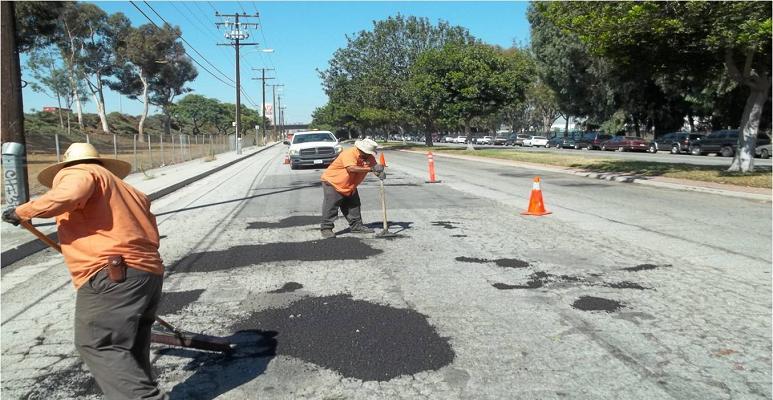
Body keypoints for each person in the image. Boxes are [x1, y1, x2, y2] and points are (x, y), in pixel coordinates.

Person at [2, 143, 167, 400]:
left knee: (98, 342)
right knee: (131, 344)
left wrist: (21, 212)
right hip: (147, 272)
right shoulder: (129, 190)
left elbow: (67, 195)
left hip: (114, 272)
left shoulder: (80, 172)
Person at [320, 138, 386, 239]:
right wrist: (371, 169)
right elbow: (351, 168)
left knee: (354, 205)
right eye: (367, 152)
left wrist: (379, 173)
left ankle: (356, 226)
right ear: (360, 149)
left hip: (350, 185)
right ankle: (326, 228)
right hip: (333, 182)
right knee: (331, 206)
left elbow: (375, 168)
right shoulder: (349, 153)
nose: (368, 154)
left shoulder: (369, 157)